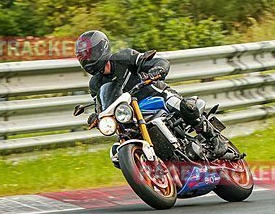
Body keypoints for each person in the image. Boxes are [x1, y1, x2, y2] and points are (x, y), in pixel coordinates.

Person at [74, 30, 226, 157]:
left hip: (157, 96)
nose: (88, 60)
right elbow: (101, 106)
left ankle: (214, 138)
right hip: (131, 116)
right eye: (84, 57)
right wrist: (96, 116)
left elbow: (154, 62)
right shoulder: (95, 84)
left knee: (186, 107)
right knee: (117, 152)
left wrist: (157, 68)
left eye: (89, 55)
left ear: (101, 48)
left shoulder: (124, 58)